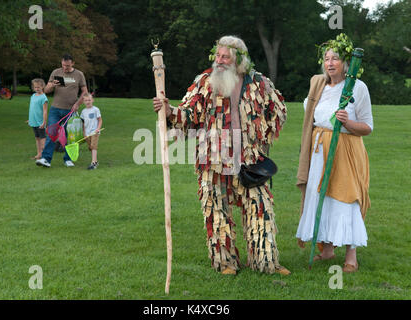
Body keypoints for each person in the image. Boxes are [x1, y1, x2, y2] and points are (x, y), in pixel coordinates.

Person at [153, 35, 290, 275]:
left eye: (225, 56)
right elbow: (189, 113)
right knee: (217, 212)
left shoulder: (259, 83)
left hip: (249, 160)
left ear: (239, 60)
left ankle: (265, 261)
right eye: (217, 55)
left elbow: (278, 111)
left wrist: (260, 135)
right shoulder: (205, 82)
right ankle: (225, 262)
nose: (220, 60)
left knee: (260, 209)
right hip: (213, 160)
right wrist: (169, 111)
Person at [295, 33, 373, 273]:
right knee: (322, 198)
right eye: (327, 59)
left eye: (335, 59)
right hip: (319, 150)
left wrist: (348, 122)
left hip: (345, 150)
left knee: (345, 199)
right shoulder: (318, 85)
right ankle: (327, 250)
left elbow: (368, 127)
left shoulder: (357, 88)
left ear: (346, 62)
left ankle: (351, 254)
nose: (330, 63)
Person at [36, 54, 88, 168]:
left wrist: (78, 104)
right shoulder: (56, 72)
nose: (65, 68)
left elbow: (85, 91)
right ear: (61, 63)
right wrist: (52, 85)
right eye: (63, 65)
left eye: (68, 66)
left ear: (73, 63)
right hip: (55, 109)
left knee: (70, 136)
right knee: (51, 133)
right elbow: (46, 90)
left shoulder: (79, 74)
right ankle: (46, 159)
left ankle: (68, 159)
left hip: (71, 110)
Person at [27, 78, 48, 160]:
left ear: (42, 86)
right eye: (35, 87)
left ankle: (45, 155)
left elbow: (45, 111)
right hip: (34, 122)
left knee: (43, 139)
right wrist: (30, 119)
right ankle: (39, 154)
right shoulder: (33, 96)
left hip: (40, 122)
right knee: (37, 138)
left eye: (38, 87)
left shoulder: (44, 98)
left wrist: (44, 122)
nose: (37, 89)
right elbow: (32, 109)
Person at [80, 93, 102, 170]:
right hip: (87, 133)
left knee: (93, 146)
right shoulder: (83, 112)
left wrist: (98, 128)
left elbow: (100, 120)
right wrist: (84, 133)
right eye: (86, 100)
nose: (88, 102)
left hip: (95, 132)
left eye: (89, 100)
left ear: (92, 100)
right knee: (90, 147)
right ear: (83, 101)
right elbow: (83, 123)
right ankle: (95, 161)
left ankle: (93, 163)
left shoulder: (96, 109)